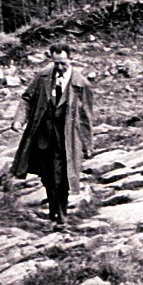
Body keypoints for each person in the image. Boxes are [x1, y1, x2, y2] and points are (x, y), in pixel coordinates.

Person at [12, 42, 94, 227]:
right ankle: (53, 210)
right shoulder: (42, 77)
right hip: (43, 135)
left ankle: (61, 216)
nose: (59, 67)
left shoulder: (81, 84)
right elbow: (27, 99)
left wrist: (87, 144)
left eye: (62, 63)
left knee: (61, 176)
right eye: (55, 63)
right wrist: (19, 120)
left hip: (66, 138)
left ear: (70, 59)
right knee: (47, 175)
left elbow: (85, 117)